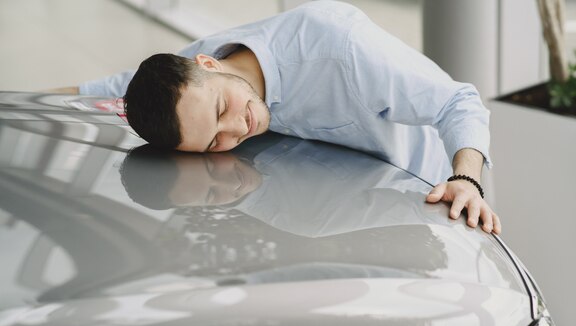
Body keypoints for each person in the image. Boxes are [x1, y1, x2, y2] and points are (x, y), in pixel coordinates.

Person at [52, 1, 501, 234]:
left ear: (209, 64)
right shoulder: (192, 80)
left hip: (434, 196)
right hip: (344, 200)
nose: (236, 130)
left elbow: (457, 102)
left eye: (222, 110)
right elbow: (114, 89)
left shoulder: (341, 48)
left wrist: (466, 180)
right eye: (214, 143)